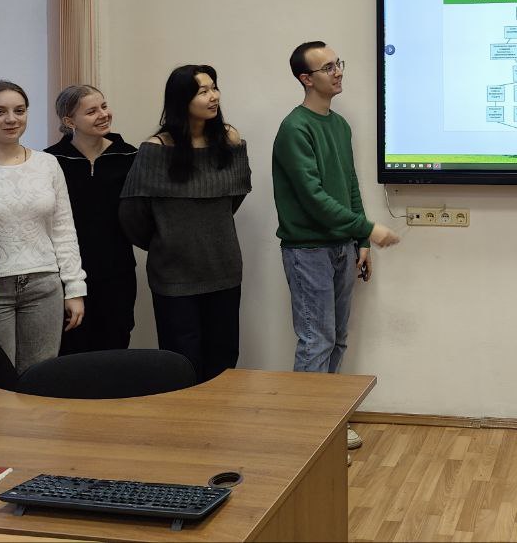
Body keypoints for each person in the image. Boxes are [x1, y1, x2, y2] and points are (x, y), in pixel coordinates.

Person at [272, 42, 401, 451]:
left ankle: (328, 422)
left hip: (343, 247)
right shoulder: (295, 128)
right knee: (317, 340)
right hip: (308, 251)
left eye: (338, 63)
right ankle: (308, 437)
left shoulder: (339, 125)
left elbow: (349, 186)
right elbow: (313, 198)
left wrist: (361, 240)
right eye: (327, 67)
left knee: (338, 338)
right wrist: (369, 228)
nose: (338, 72)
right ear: (306, 79)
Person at [120, 64, 251, 382]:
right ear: (181, 99)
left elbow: (233, 200)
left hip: (223, 268)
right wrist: (168, 240)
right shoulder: (156, 149)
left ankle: (220, 416)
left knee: (224, 358)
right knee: (181, 362)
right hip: (174, 273)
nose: (213, 96)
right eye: (203, 91)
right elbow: (132, 215)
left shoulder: (230, 142)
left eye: (214, 88)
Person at [0, 80, 87, 372]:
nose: (11, 119)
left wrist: (75, 288)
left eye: (19, 110)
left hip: (45, 285)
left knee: (41, 378)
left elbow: (64, 230)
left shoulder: (47, 164)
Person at [45, 84, 139, 353]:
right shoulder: (50, 160)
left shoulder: (130, 156)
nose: (103, 115)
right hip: (67, 272)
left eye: (104, 107)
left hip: (117, 269)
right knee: (72, 345)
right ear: (69, 121)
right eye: (91, 111)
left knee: (115, 342)